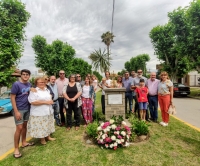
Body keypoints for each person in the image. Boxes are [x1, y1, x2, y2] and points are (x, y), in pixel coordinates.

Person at [11, 69, 34, 158]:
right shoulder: (16, 84)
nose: (25, 76)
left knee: (24, 126)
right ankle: (16, 148)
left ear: (29, 76)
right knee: (19, 128)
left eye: (27, 74)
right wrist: (16, 111)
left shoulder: (29, 84)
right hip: (19, 109)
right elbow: (12, 98)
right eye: (23, 74)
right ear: (21, 75)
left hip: (27, 108)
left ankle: (24, 142)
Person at [28, 77, 55, 145]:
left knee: (47, 124)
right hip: (39, 112)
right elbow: (32, 101)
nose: (42, 84)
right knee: (41, 126)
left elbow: (49, 98)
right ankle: (42, 139)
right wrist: (45, 102)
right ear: (36, 83)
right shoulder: (34, 91)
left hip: (48, 111)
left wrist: (51, 101)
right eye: (40, 82)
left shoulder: (47, 90)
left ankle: (48, 136)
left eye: (43, 82)